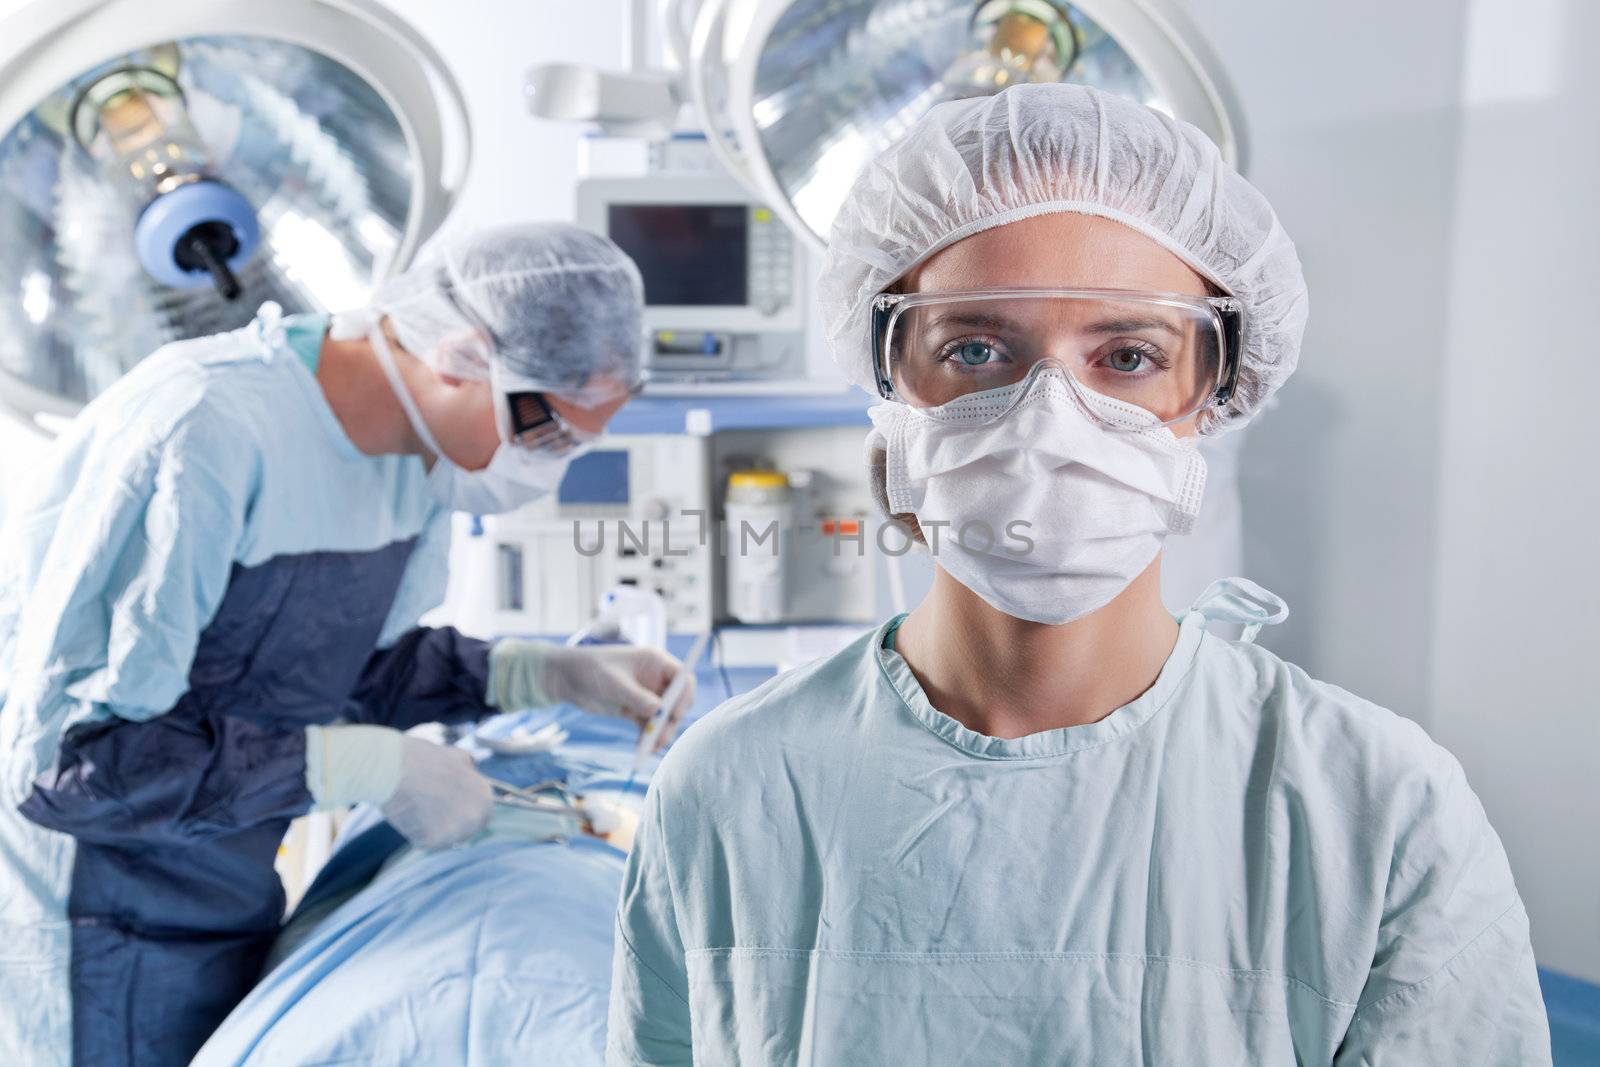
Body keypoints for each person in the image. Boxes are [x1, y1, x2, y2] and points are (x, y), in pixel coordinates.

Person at [607, 86, 1551, 1064]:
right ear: (889, 387)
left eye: (1129, 355)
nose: (1048, 420)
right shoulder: (728, 790)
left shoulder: (1374, 808)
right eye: (974, 349)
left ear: (1215, 398)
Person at [0, 221, 695, 1066]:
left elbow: (348, 669)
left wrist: (545, 671)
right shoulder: (204, 430)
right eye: (550, 433)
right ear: (464, 358)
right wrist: (366, 768)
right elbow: (71, 764)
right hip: (93, 921)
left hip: (227, 891)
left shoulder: (416, 460)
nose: (554, 465)